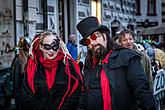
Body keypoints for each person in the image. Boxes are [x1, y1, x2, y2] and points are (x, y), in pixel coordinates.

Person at [76, 16, 156, 110]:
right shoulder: (89, 64)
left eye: (94, 36)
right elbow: (84, 94)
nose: (92, 42)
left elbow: (143, 91)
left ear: (105, 35)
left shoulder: (126, 57)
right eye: (88, 41)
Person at [20, 31, 83, 110]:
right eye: (47, 47)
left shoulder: (68, 66)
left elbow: (76, 91)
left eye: (54, 47)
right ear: (41, 47)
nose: (51, 51)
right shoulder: (33, 67)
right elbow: (26, 93)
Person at [10, 36, 32, 110]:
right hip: (21, 92)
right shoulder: (18, 60)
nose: (28, 47)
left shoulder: (31, 57)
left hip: (30, 92)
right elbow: (15, 79)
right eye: (26, 45)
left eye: (29, 45)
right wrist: (16, 93)